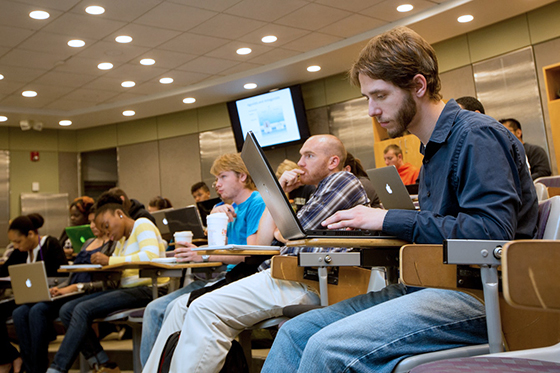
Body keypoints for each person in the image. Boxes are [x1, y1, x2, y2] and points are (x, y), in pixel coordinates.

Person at [262, 26, 538, 373]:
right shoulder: (434, 149)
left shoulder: (475, 135)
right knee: (295, 332)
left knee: (326, 346)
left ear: (418, 86)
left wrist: (385, 219)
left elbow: (490, 234)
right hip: (437, 282)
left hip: (483, 294)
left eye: (379, 95)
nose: (370, 110)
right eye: (367, 97)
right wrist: (373, 226)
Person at [156, 134, 368, 372]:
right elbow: (274, 235)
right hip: (288, 274)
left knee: (203, 310)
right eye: (300, 156)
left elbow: (293, 232)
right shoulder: (319, 191)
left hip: (306, 279)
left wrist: (283, 230)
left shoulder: (342, 180)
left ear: (333, 161)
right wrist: (279, 193)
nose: (300, 163)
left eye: (309, 156)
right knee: (198, 308)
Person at [141, 154, 266, 367]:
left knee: (176, 307)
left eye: (223, 177)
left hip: (243, 277)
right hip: (227, 275)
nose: (217, 184)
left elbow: (252, 252)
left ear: (242, 176)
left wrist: (202, 254)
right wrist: (215, 220)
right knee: (163, 308)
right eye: (216, 179)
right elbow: (221, 251)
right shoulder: (228, 209)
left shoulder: (257, 202)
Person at [46, 202, 167, 373]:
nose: (108, 234)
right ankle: (102, 363)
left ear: (119, 214)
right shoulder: (121, 240)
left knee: (82, 309)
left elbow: (150, 255)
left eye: (107, 226)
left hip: (148, 288)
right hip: (127, 289)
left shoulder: (142, 224)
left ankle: (57, 368)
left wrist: (109, 261)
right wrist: (103, 265)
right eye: (104, 232)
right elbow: (116, 269)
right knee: (66, 310)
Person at [12, 208, 117, 373]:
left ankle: (40, 367)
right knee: (19, 313)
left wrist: (72, 288)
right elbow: (73, 274)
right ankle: (29, 366)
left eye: (95, 222)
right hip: (69, 289)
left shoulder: (113, 244)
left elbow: (109, 280)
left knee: (38, 311)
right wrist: (58, 288)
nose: (92, 226)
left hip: (85, 291)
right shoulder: (88, 243)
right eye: (90, 222)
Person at [0, 214, 67, 373]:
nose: (16, 246)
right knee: (17, 313)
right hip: (28, 298)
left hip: (51, 297)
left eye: (18, 241)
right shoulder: (21, 252)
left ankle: (37, 367)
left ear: (31, 234)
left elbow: (63, 275)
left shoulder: (51, 244)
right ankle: (15, 357)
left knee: (34, 312)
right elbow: (4, 270)